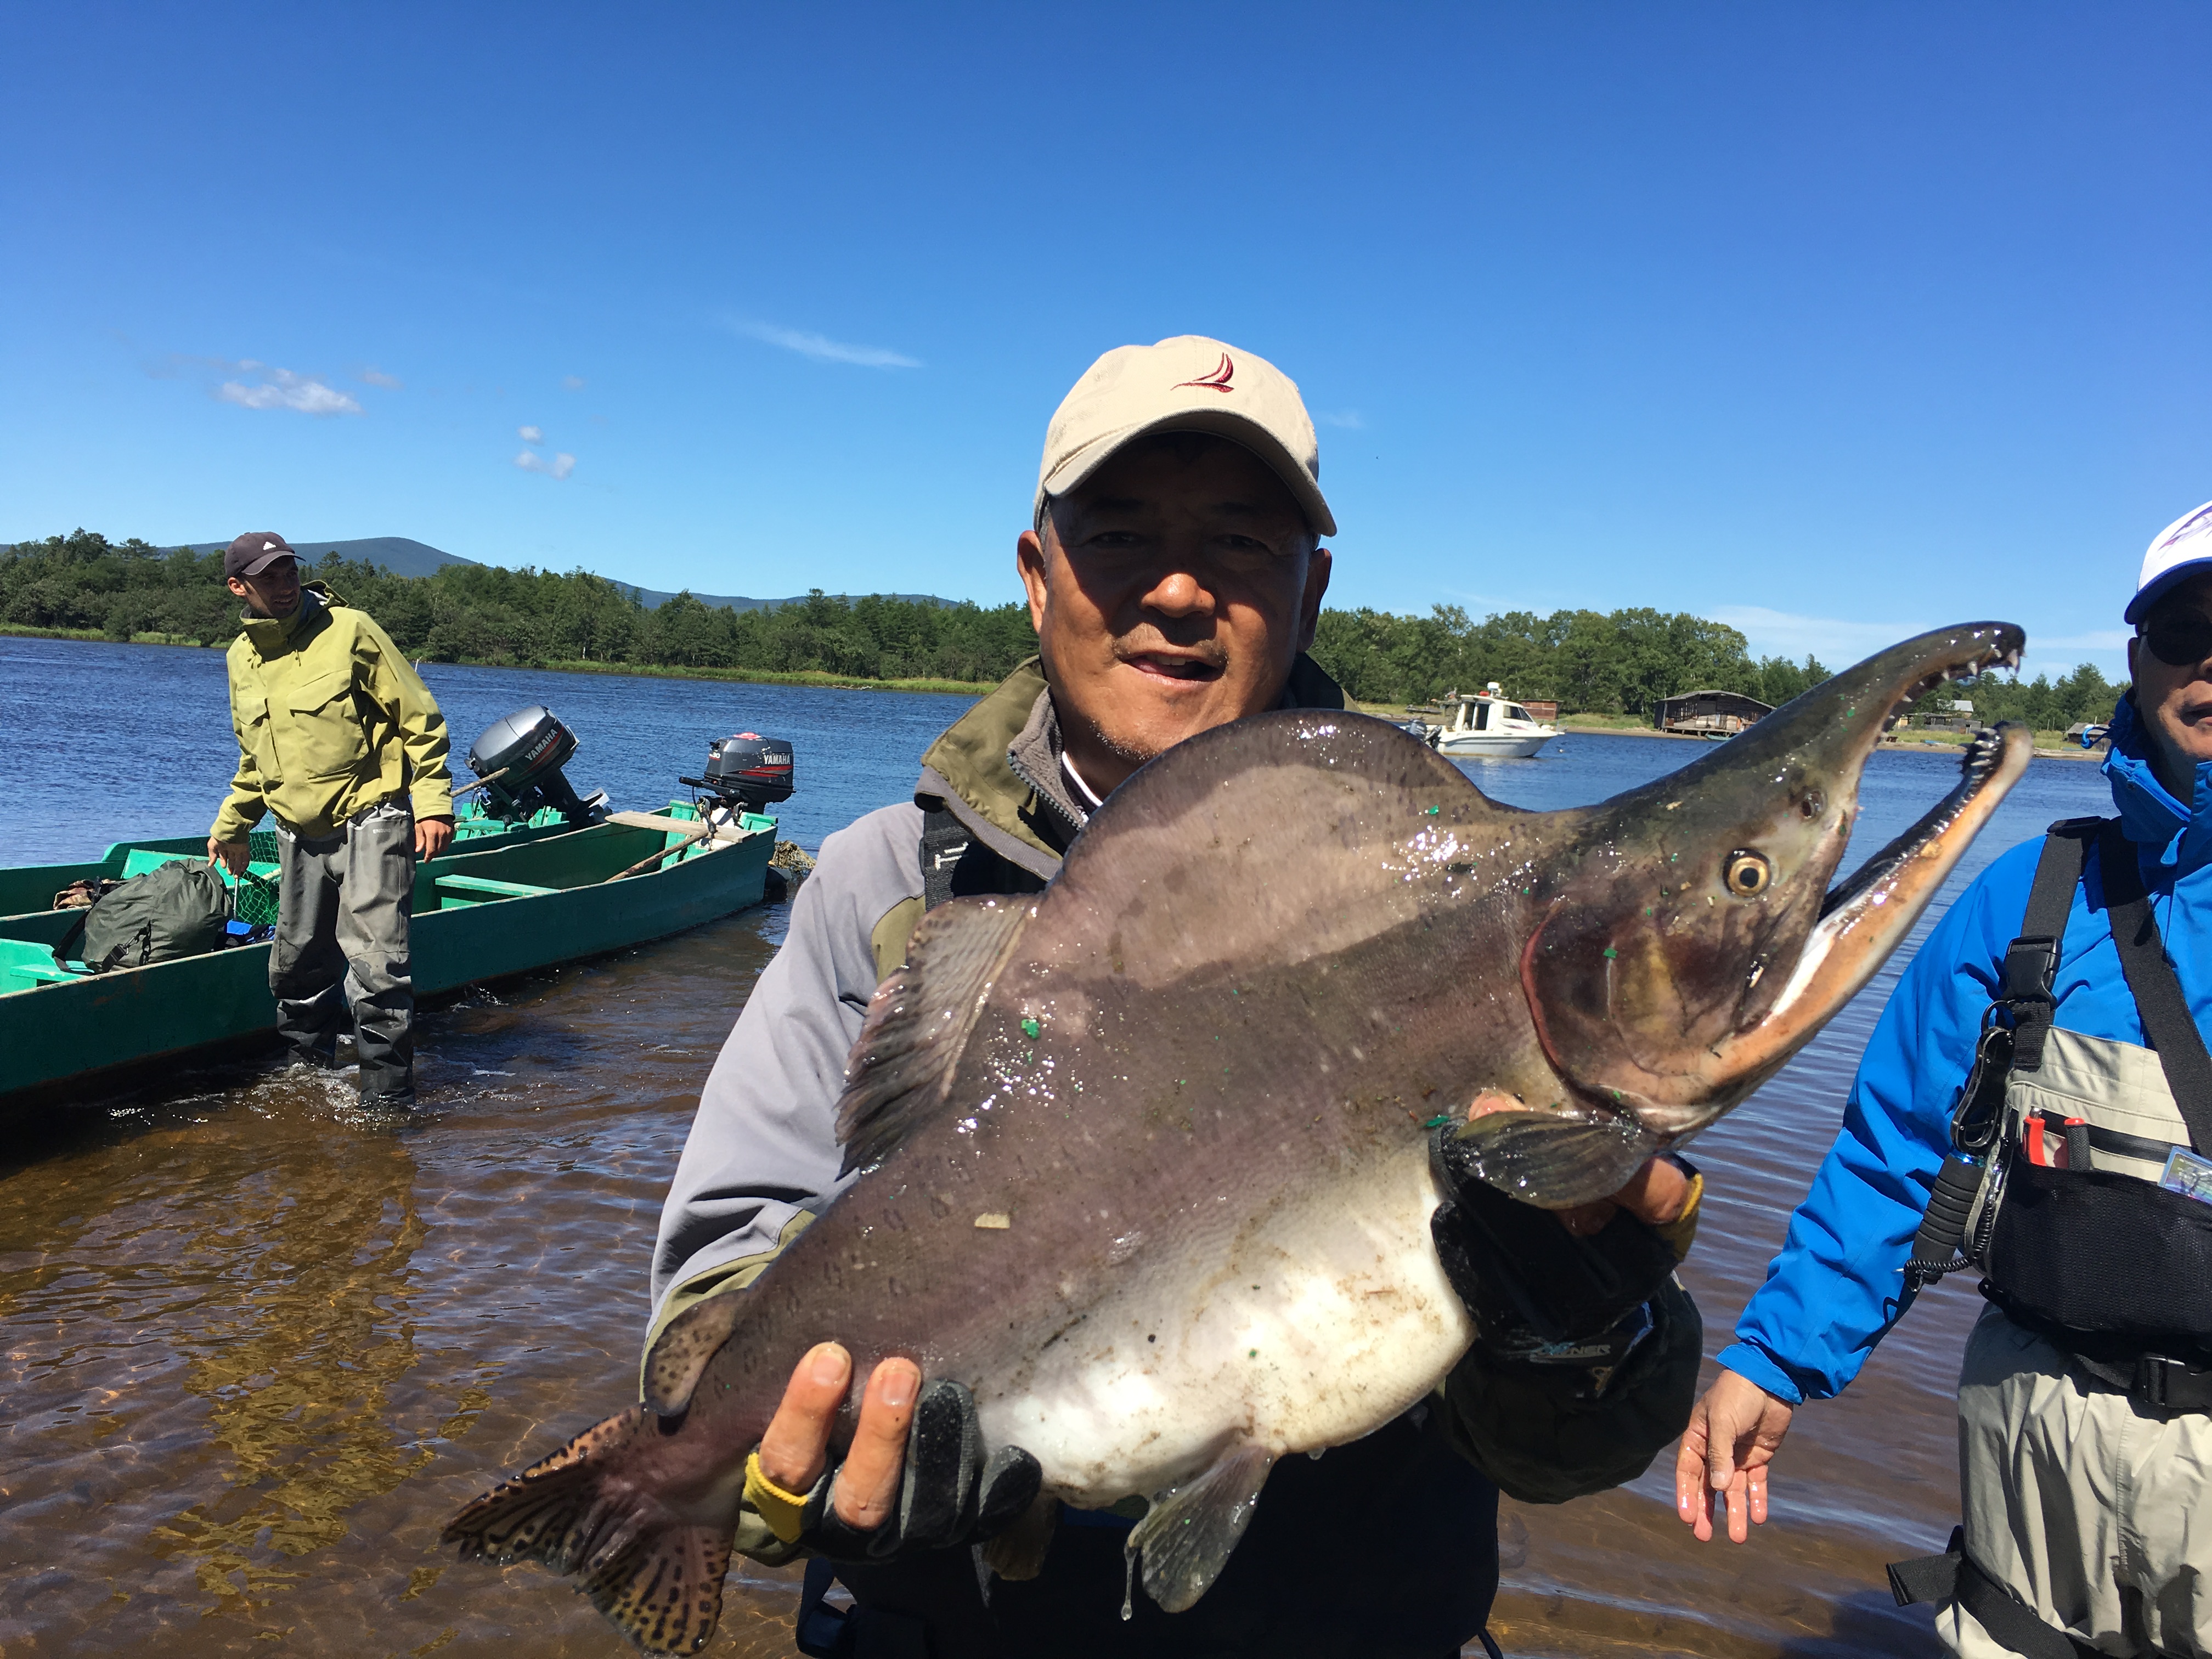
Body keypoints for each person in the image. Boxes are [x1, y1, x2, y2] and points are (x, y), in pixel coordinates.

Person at [652, 336, 1710, 1659]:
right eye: (1119, 536)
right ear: (1036, 578)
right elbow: (727, 1253)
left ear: (1311, 591)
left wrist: (1585, 1335)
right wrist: (776, 1448)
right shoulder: (882, 885)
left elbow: (1564, 1460)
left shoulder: (1473, 925)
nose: (1175, 591)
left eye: (1237, 544)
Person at [1674, 500, 2212, 1658]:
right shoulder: (2033, 895)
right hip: (2036, 1455)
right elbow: (1900, 1152)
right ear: (2138, 660)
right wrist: (1776, 1355)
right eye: (2187, 626)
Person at [206, 531, 455, 1110]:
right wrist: (234, 824)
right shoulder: (241, 658)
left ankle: (386, 1106)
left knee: (376, 973)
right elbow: (256, 757)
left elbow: (420, 719)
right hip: (296, 833)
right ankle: (302, 1088)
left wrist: (435, 804)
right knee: (296, 968)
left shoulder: (351, 629)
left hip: (372, 819)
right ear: (239, 587)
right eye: (269, 577)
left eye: (290, 570)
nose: (286, 583)